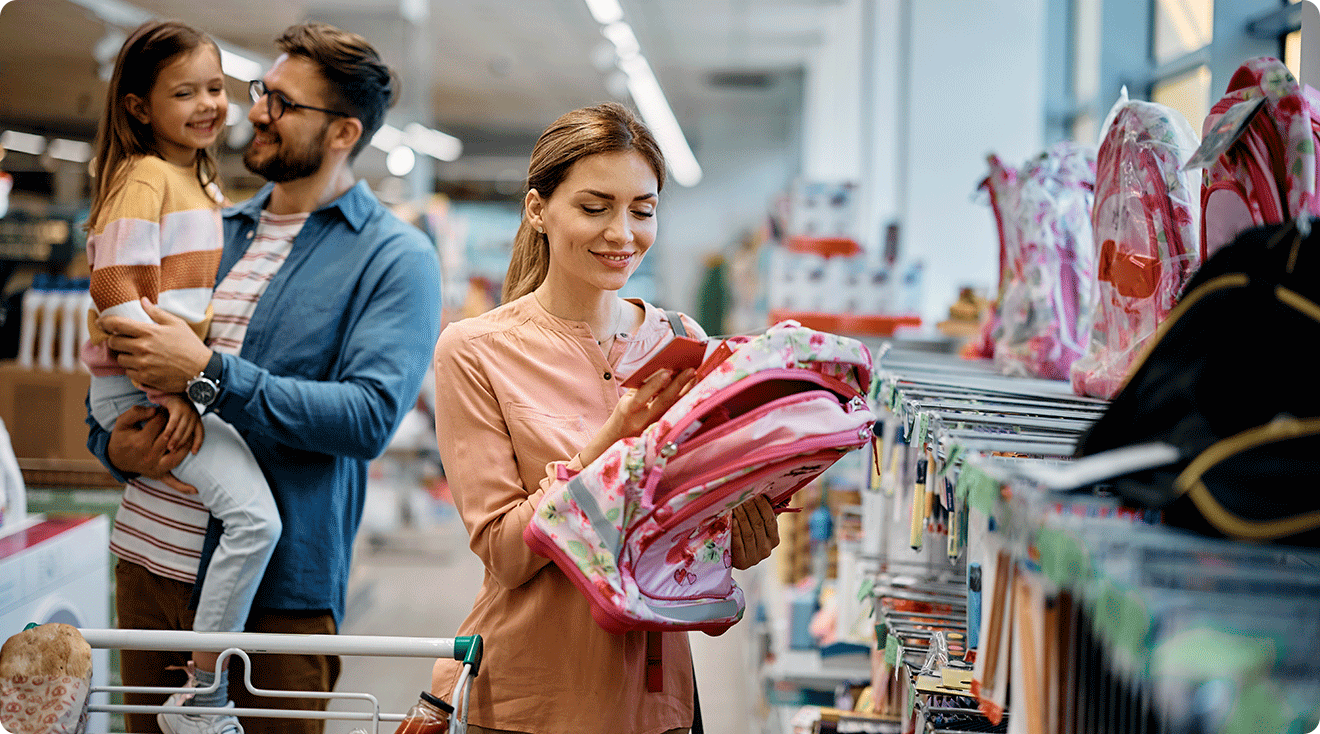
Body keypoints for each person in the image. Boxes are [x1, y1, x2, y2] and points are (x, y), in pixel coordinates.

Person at [85, 22, 441, 734]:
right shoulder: (214, 227)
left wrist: (210, 373)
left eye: (281, 102)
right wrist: (111, 447)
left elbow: (367, 417)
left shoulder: (394, 257)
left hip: (276, 602)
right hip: (149, 568)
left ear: (343, 133)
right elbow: (121, 363)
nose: (253, 111)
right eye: (260, 91)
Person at [426, 102, 780, 734]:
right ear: (538, 210)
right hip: (526, 701)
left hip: (656, 701)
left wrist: (731, 538)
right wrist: (613, 439)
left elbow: (674, 541)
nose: (622, 233)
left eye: (642, 211)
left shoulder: (681, 340)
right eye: (595, 208)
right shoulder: (475, 349)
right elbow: (506, 554)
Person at [81, 20, 279, 734]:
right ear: (139, 107)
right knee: (255, 520)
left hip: (156, 383)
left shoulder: (197, 178)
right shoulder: (145, 177)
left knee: (252, 518)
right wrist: (170, 392)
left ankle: (200, 692)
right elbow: (115, 293)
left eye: (216, 88)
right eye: (184, 93)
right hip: (138, 386)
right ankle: (199, 698)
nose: (207, 105)